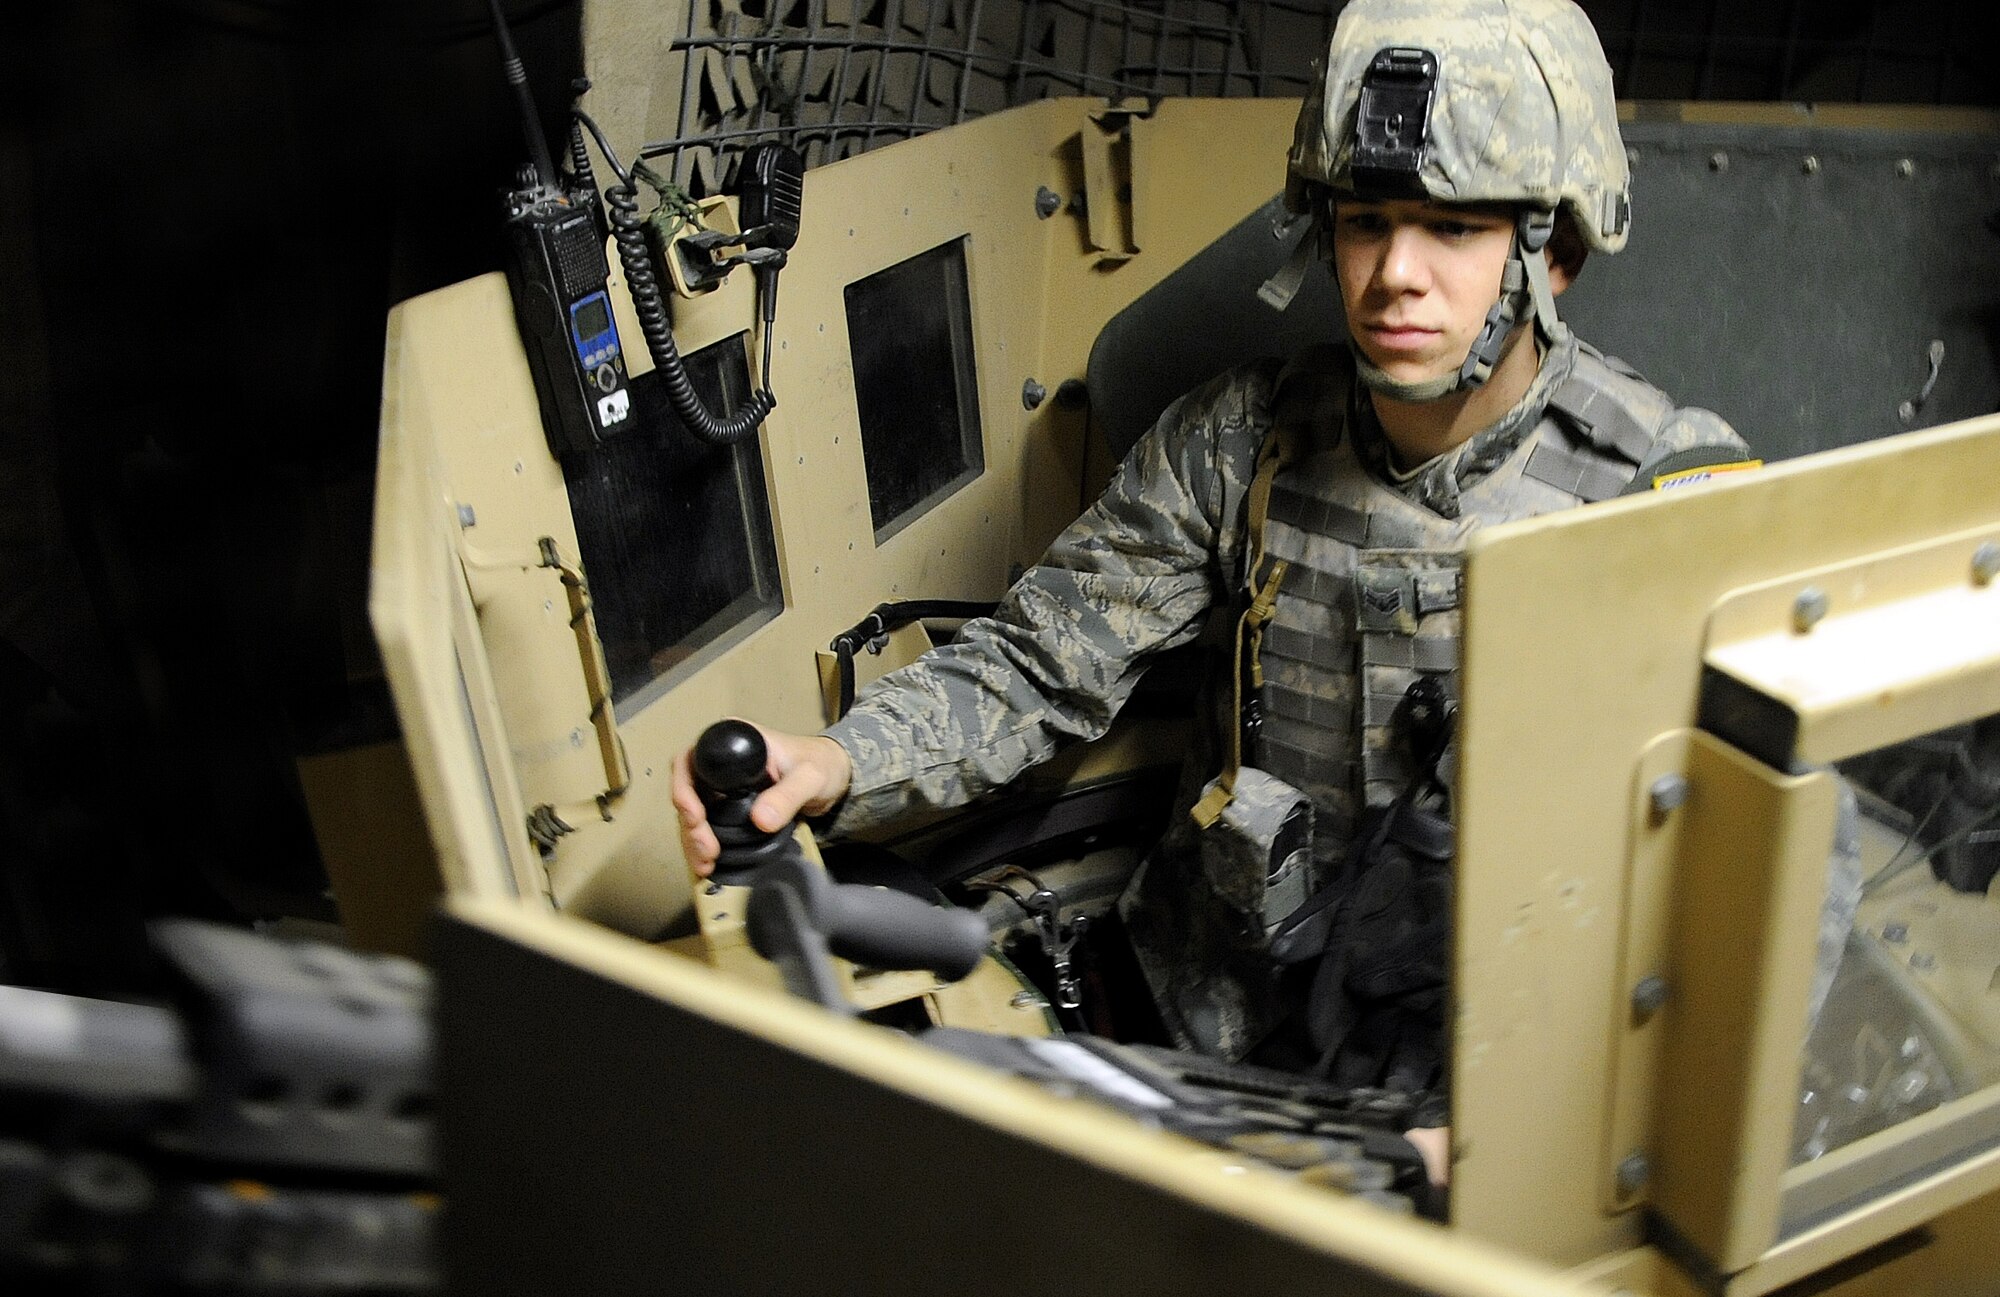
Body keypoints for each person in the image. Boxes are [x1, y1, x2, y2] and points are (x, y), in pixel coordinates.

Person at [673, 0, 1753, 1188]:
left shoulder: (1671, 502)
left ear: (1553, 252)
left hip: (1454, 1111)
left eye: (1451, 228)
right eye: (1365, 222)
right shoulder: (1244, 438)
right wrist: (836, 762)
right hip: (1193, 1018)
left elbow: (1739, 900)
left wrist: (1526, 1123)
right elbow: (1038, 660)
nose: (1394, 275)